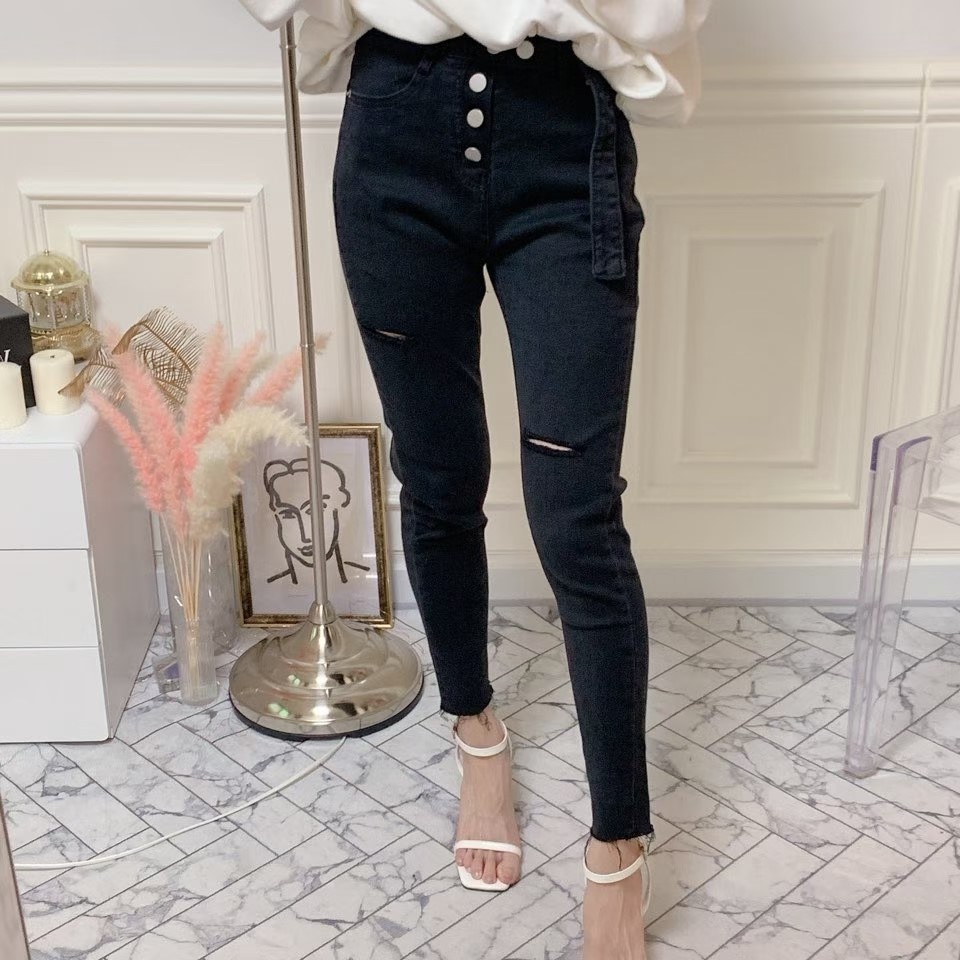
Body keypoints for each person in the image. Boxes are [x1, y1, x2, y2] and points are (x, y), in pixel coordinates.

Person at [237, 3, 712, 957]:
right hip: (396, 133)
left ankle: (619, 840)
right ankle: (478, 737)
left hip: (563, 133)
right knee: (440, 479)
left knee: (576, 516)